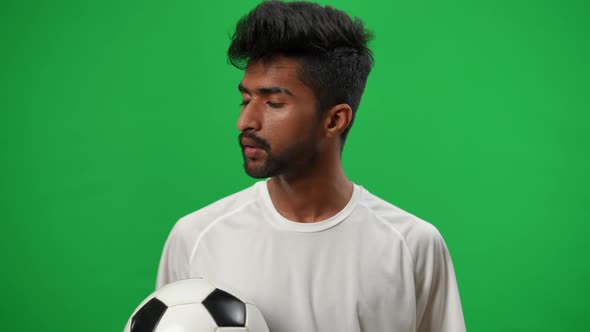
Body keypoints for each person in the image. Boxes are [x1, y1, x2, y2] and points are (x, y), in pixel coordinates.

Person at [156, 1, 466, 331]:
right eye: (246, 100)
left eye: (273, 103)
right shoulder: (196, 237)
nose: (244, 121)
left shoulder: (412, 244)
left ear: (334, 120)